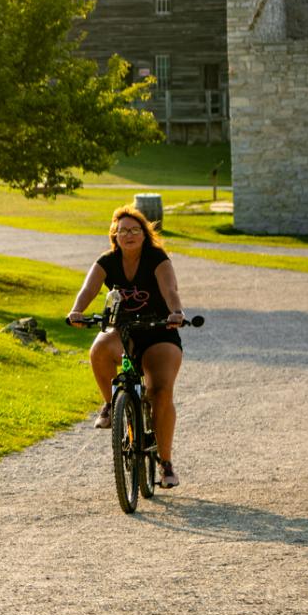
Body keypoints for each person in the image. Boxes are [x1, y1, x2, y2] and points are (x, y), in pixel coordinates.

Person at [67, 205, 189, 487]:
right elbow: (89, 289)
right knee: (98, 350)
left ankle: (166, 463)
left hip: (159, 330)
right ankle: (112, 405)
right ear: (115, 235)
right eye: (123, 230)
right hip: (123, 329)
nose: (129, 235)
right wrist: (76, 311)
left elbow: (170, 290)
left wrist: (176, 313)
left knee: (160, 391)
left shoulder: (156, 258)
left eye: (135, 230)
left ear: (144, 235)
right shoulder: (107, 261)